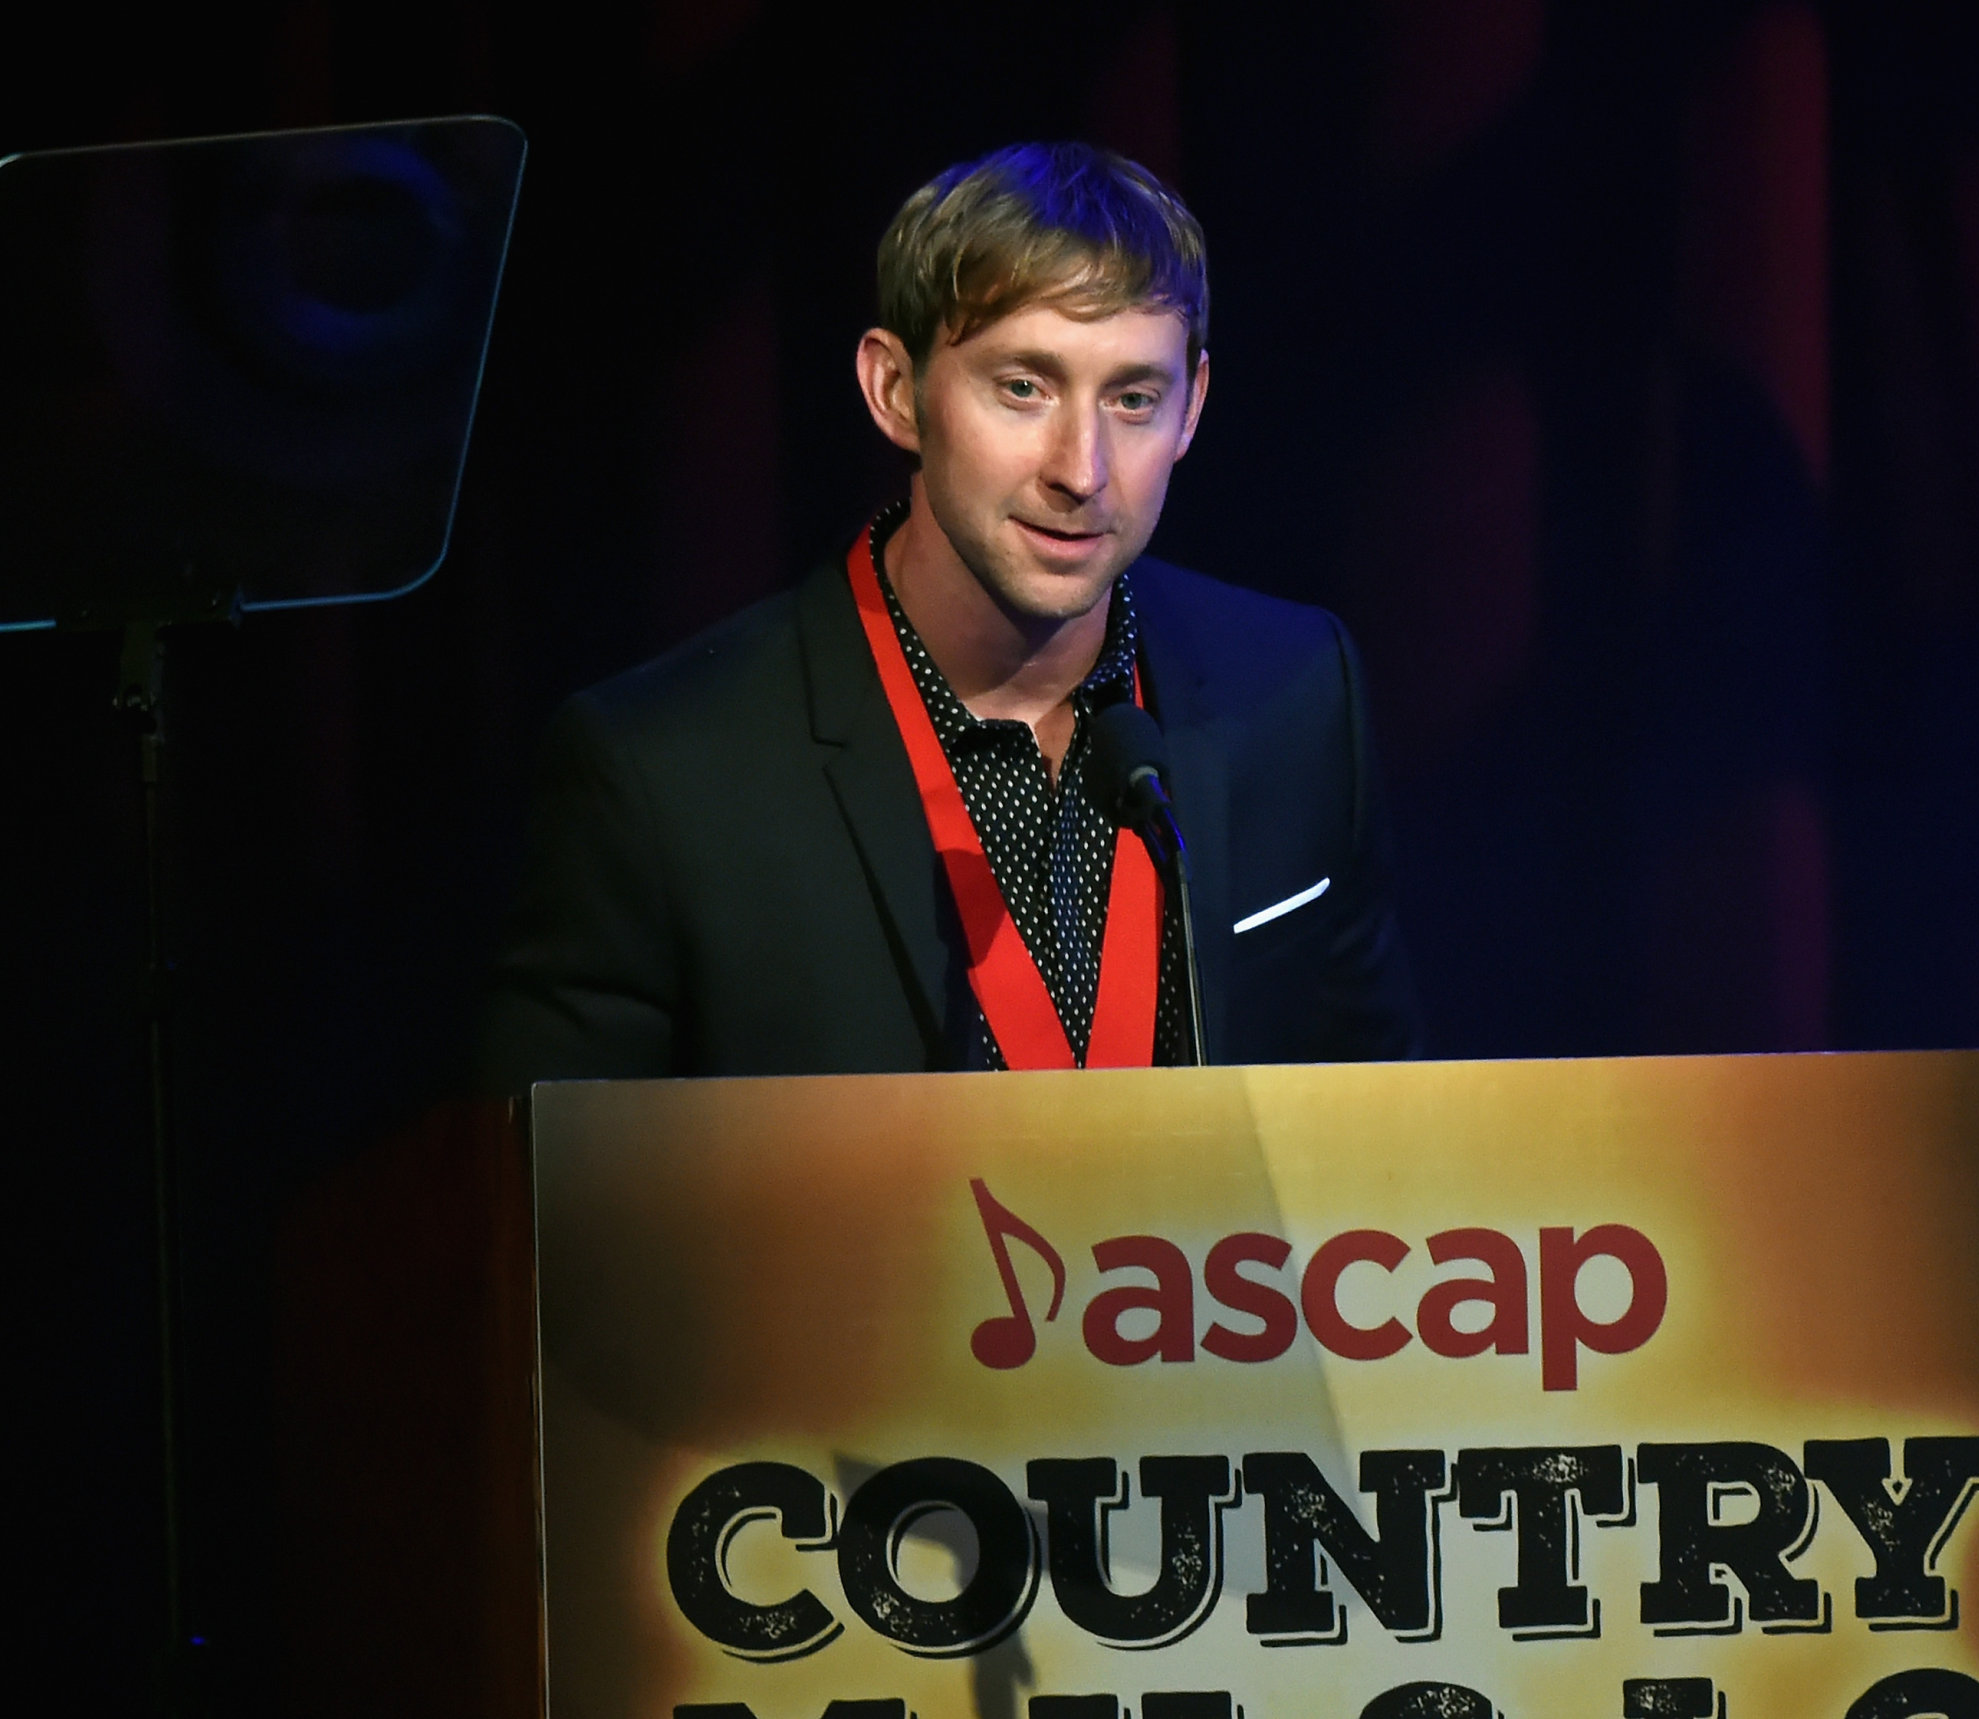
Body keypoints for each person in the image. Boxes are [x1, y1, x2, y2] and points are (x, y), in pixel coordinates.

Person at [477, 142, 1418, 1089]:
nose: (1081, 470)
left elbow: (1386, 1139)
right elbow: (553, 1214)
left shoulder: (1296, 692)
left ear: (1192, 409)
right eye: (1024, 387)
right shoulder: (661, 774)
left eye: (1134, 399)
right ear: (896, 391)